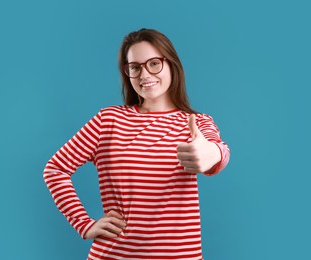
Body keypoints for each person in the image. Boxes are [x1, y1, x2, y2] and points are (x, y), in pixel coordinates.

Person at [43, 28, 230, 260]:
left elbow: (218, 150)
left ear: (172, 65)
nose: (144, 75)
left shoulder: (197, 122)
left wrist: (210, 154)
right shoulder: (108, 120)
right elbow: (55, 169)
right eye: (135, 67)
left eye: (154, 63)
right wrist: (84, 223)